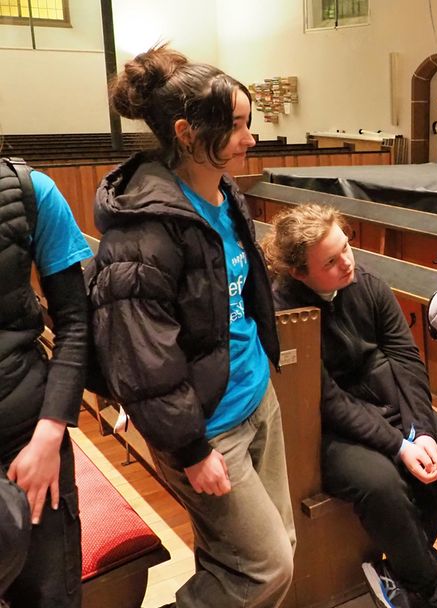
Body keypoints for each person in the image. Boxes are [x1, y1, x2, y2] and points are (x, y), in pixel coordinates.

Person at [88, 45, 294, 608]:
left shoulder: (224, 195)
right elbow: (141, 358)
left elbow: (238, 300)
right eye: (236, 127)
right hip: (208, 426)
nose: (250, 138)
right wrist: (191, 447)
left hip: (255, 397)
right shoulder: (142, 235)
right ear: (185, 132)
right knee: (263, 568)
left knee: (273, 549)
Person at [263, 204, 437, 608]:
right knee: (382, 483)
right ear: (299, 272)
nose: (347, 263)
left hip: (389, 406)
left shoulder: (367, 283)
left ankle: (401, 573)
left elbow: (406, 360)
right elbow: (325, 399)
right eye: (331, 261)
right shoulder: (285, 312)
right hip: (330, 427)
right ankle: (428, 584)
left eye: (347, 248)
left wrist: (420, 430)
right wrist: (399, 446)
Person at [0, 156, 91, 607]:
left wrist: (49, 433)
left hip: (27, 440)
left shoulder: (31, 190)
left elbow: (75, 323)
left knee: (49, 596)